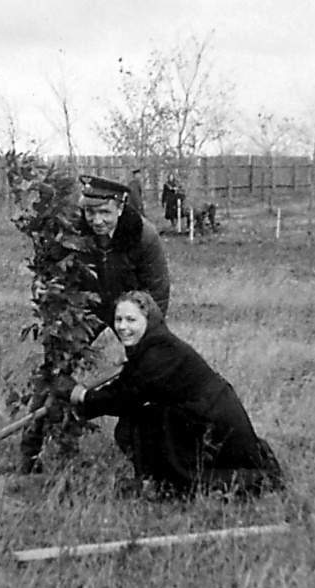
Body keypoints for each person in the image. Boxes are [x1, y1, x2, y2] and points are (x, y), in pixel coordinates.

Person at [51, 290, 284, 499]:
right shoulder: (150, 346)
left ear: (149, 320)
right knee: (142, 420)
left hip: (216, 424)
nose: (122, 327)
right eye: (119, 319)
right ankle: (159, 481)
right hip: (201, 413)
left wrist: (81, 397)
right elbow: (126, 386)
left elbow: (126, 399)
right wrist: (83, 396)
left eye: (131, 320)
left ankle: (177, 484)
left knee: (144, 422)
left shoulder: (160, 352)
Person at [18, 175, 171, 474]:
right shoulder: (72, 231)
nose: (97, 220)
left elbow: (157, 296)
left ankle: (151, 451)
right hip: (86, 308)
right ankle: (31, 450)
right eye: (91, 212)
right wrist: (44, 287)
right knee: (55, 368)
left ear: (120, 207)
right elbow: (49, 271)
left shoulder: (143, 236)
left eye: (105, 212)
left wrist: (142, 339)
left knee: (154, 370)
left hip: (130, 309)